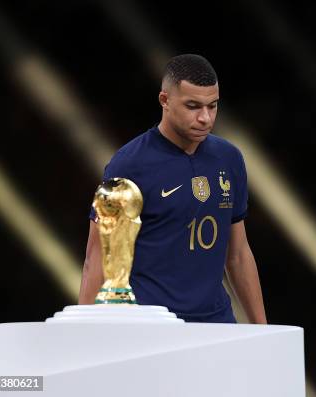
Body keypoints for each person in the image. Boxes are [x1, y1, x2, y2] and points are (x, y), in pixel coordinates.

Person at [78, 54, 267, 324]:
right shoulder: (129, 165)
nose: (205, 118)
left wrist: (262, 330)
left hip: (217, 323)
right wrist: (82, 336)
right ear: (164, 100)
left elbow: (237, 253)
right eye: (192, 106)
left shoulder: (229, 159)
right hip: (152, 325)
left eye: (212, 106)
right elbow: (97, 257)